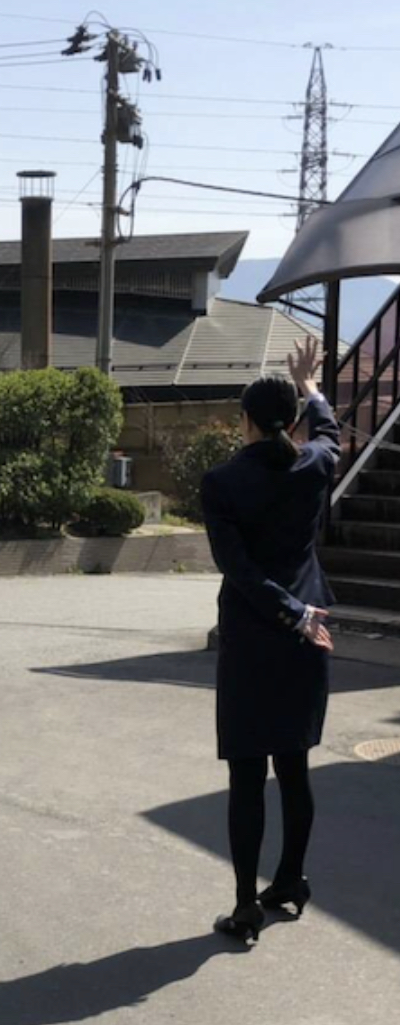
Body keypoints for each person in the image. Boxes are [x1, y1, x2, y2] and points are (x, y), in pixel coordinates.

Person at [200, 336, 340, 943]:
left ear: (246, 421)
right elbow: (329, 430)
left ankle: (245, 906)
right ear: (290, 419)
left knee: (247, 779)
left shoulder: (222, 482)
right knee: (295, 767)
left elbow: (240, 570)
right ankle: (289, 880)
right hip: (309, 639)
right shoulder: (314, 464)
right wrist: (311, 387)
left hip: (255, 642)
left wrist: (289, 612)